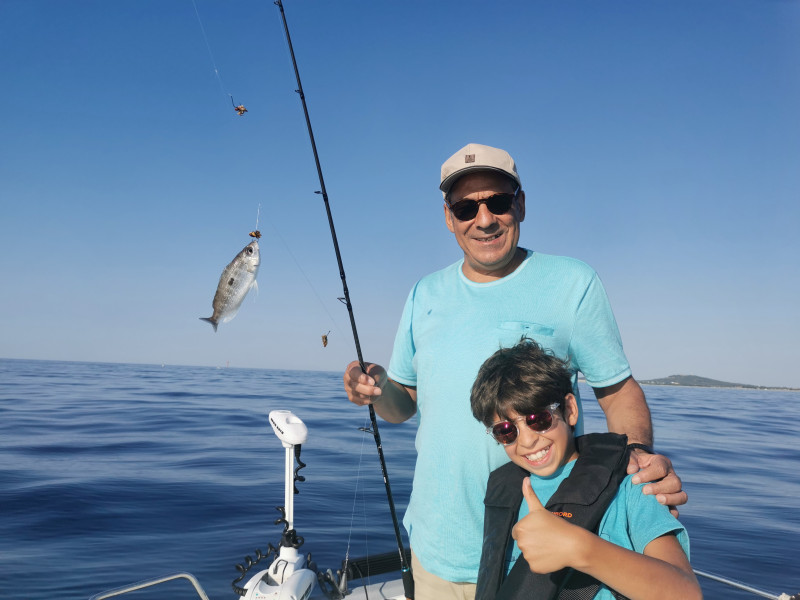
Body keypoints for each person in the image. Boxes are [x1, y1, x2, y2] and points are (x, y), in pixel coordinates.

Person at [343, 143, 687, 600]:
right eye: (466, 207)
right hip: (436, 548)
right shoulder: (424, 294)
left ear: (520, 203)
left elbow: (618, 391)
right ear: (449, 217)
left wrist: (638, 458)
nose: (484, 219)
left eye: (498, 202)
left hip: (543, 549)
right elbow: (403, 404)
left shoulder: (573, 282)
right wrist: (378, 388)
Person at [470, 338, 700, 600]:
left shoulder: (630, 485)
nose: (526, 440)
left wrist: (579, 548)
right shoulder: (504, 492)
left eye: (538, 419)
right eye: (506, 431)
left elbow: (686, 593)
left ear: (570, 409)